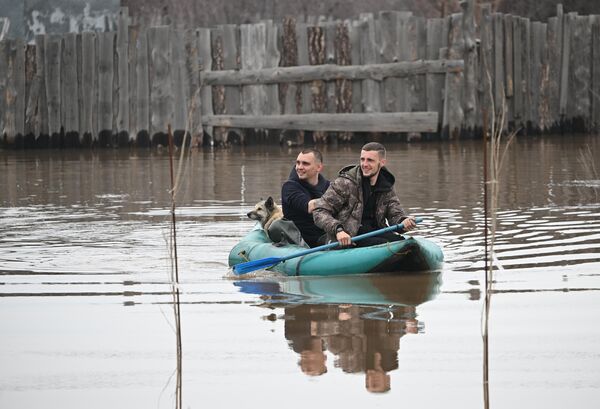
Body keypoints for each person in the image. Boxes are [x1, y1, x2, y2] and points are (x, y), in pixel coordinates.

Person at [313, 142, 416, 248]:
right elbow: (319, 211)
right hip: (350, 236)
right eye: (362, 159)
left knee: (401, 242)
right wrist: (338, 230)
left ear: (382, 162)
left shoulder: (386, 186)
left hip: (375, 231)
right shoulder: (344, 183)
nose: (364, 164)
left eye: (370, 160)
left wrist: (404, 222)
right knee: (383, 244)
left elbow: (395, 215)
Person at [281, 148, 330, 248]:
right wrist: (337, 199)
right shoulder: (289, 187)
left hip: (326, 235)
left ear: (319, 167)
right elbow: (309, 206)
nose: (299, 167)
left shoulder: (328, 186)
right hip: (303, 242)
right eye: (298, 163)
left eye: (305, 164)